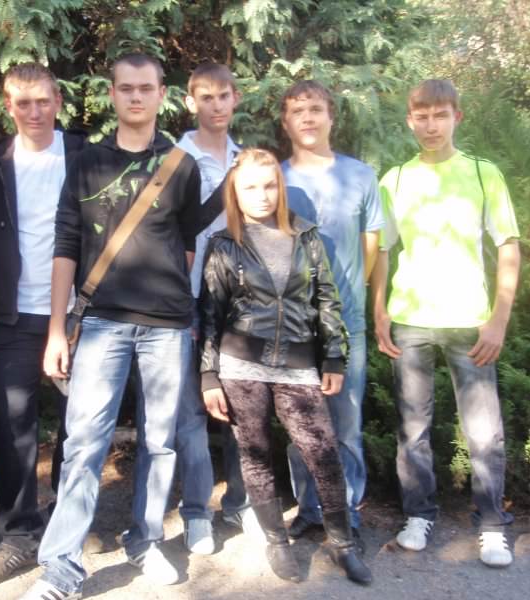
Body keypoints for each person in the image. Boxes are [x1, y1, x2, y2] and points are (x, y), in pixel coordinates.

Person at [20, 53, 202, 600]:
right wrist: (57, 329)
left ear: (162, 93)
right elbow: (66, 244)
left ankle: (145, 541)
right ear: (113, 93)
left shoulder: (182, 165)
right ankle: (61, 568)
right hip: (100, 323)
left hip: (167, 328)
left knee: (160, 443)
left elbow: (186, 247)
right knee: (83, 445)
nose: (136, 97)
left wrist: (174, 305)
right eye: (126, 88)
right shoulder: (87, 162)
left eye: (146, 88)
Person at [199, 148, 372, 585]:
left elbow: (327, 298)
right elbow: (211, 313)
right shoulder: (224, 243)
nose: (261, 195)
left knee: (323, 453)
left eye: (269, 185)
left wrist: (333, 356)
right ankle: (277, 542)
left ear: (280, 187)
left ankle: (342, 543)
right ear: (235, 193)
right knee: (255, 455)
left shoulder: (306, 235)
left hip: (297, 363)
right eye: (250, 188)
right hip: (241, 365)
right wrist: (208, 375)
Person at [372, 79, 520, 568]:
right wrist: (379, 310)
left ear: (457, 116)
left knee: (484, 431)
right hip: (411, 320)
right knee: (412, 429)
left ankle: (492, 525)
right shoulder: (395, 180)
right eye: (422, 116)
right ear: (410, 120)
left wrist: (498, 319)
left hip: (469, 321)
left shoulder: (482, 173)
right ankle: (418, 515)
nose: (431, 125)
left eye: (440, 115)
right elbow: (383, 250)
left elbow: (508, 246)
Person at [0, 63, 86, 585]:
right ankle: (17, 534)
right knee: (14, 426)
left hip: (79, 315)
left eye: (43, 101)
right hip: (15, 315)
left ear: (58, 101)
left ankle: (65, 521)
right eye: (23, 102)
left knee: (78, 424)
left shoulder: (84, 155)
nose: (34, 112)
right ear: (7, 107)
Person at [166, 61, 265, 555]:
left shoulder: (245, 162)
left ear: (236, 98)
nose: (216, 105)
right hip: (182, 298)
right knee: (189, 412)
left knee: (243, 405)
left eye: (224, 96)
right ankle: (196, 513)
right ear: (191, 102)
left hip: (236, 301)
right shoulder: (172, 157)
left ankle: (242, 502)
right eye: (206, 97)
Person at [279, 80, 383, 543]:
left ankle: (348, 512)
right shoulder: (276, 179)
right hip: (292, 325)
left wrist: (356, 299)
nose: (307, 117)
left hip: (346, 323)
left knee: (345, 425)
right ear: (286, 123)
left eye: (316, 109)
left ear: (331, 117)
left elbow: (372, 245)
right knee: (299, 426)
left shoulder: (361, 176)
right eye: (297, 111)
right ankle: (308, 508)